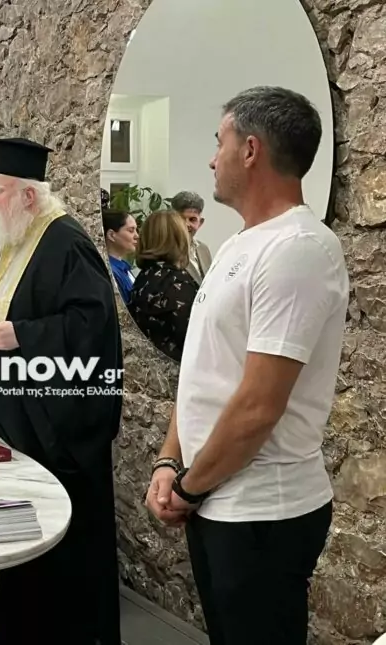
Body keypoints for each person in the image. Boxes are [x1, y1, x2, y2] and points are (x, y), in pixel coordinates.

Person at [145, 86, 349, 645]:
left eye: (220, 142)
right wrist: (169, 459)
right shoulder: (240, 245)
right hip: (216, 497)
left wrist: (188, 487)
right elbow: (203, 373)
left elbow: (259, 405)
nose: (213, 159)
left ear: (251, 150)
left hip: (263, 511)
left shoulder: (300, 249)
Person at [0, 137, 124, 645]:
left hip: (57, 436)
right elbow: (24, 305)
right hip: (23, 429)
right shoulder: (22, 238)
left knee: (61, 572)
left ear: (28, 196)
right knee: (27, 563)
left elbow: (92, 327)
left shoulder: (66, 242)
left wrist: (24, 336)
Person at [128, 210, 199, 362]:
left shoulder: (144, 277)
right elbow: (192, 339)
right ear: (180, 239)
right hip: (176, 369)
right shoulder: (177, 282)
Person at [170, 190, 212, 284]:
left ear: (200, 223)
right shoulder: (164, 250)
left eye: (192, 219)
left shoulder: (204, 249)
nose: (186, 224)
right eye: (181, 219)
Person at [102, 209, 139, 303]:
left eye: (136, 230)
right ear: (111, 235)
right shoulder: (110, 271)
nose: (137, 236)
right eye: (131, 230)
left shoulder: (123, 267)